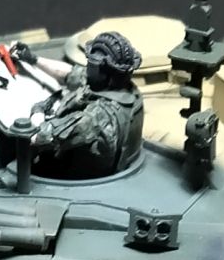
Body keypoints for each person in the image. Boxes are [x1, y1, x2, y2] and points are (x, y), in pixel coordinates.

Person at [12, 31, 145, 179]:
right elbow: (72, 74)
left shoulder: (97, 117)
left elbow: (36, 137)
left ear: (104, 72)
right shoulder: (126, 89)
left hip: (80, 177)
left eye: (92, 65)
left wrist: (38, 112)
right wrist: (32, 59)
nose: (88, 67)